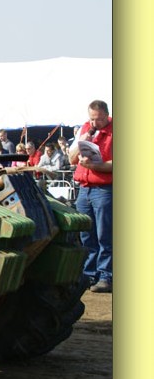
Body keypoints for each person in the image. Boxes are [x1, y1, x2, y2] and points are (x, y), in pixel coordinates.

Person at [70, 99, 113, 293]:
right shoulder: (85, 129)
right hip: (84, 189)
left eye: (99, 119)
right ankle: (89, 274)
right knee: (86, 234)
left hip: (104, 189)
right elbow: (71, 158)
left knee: (105, 234)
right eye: (92, 119)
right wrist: (84, 139)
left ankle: (106, 276)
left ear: (107, 115)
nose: (95, 123)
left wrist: (94, 166)